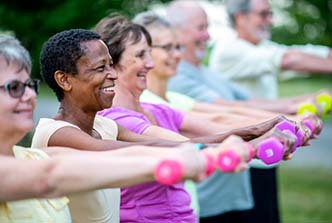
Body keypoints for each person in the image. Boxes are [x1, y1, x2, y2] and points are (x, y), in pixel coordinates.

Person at [93, 14, 301, 223]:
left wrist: (274, 126)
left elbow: (217, 125)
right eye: (140, 55)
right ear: (111, 65)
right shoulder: (115, 119)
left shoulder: (156, 110)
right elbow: (185, 147)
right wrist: (253, 146)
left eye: (149, 53)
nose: (150, 63)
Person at [32, 28, 254, 223]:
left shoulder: (104, 125)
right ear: (64, 80)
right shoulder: (56, 133)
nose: (112, 75)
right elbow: (137, 152)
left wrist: (255, 133)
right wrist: (212, 153)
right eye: (100, 68)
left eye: (111, 65)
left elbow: (165, 143)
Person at [164, 1, 324, 223]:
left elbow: (250, 102)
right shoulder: (177, 79)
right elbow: (224, 112)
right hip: (210, 199)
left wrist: (300, 105)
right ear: (176, 32)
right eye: (201, 28)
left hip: (236, 191)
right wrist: (286, 118)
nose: (208, 35)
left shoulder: (207, 73)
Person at [209, 0, 332, 100]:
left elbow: (297, 52)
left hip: (261, 124)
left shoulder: (261, 45)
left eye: (270, 14)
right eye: (263, 14)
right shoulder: (229, 48)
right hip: (240, 127)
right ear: (240, 18)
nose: (270, 21)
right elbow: (287, 60)